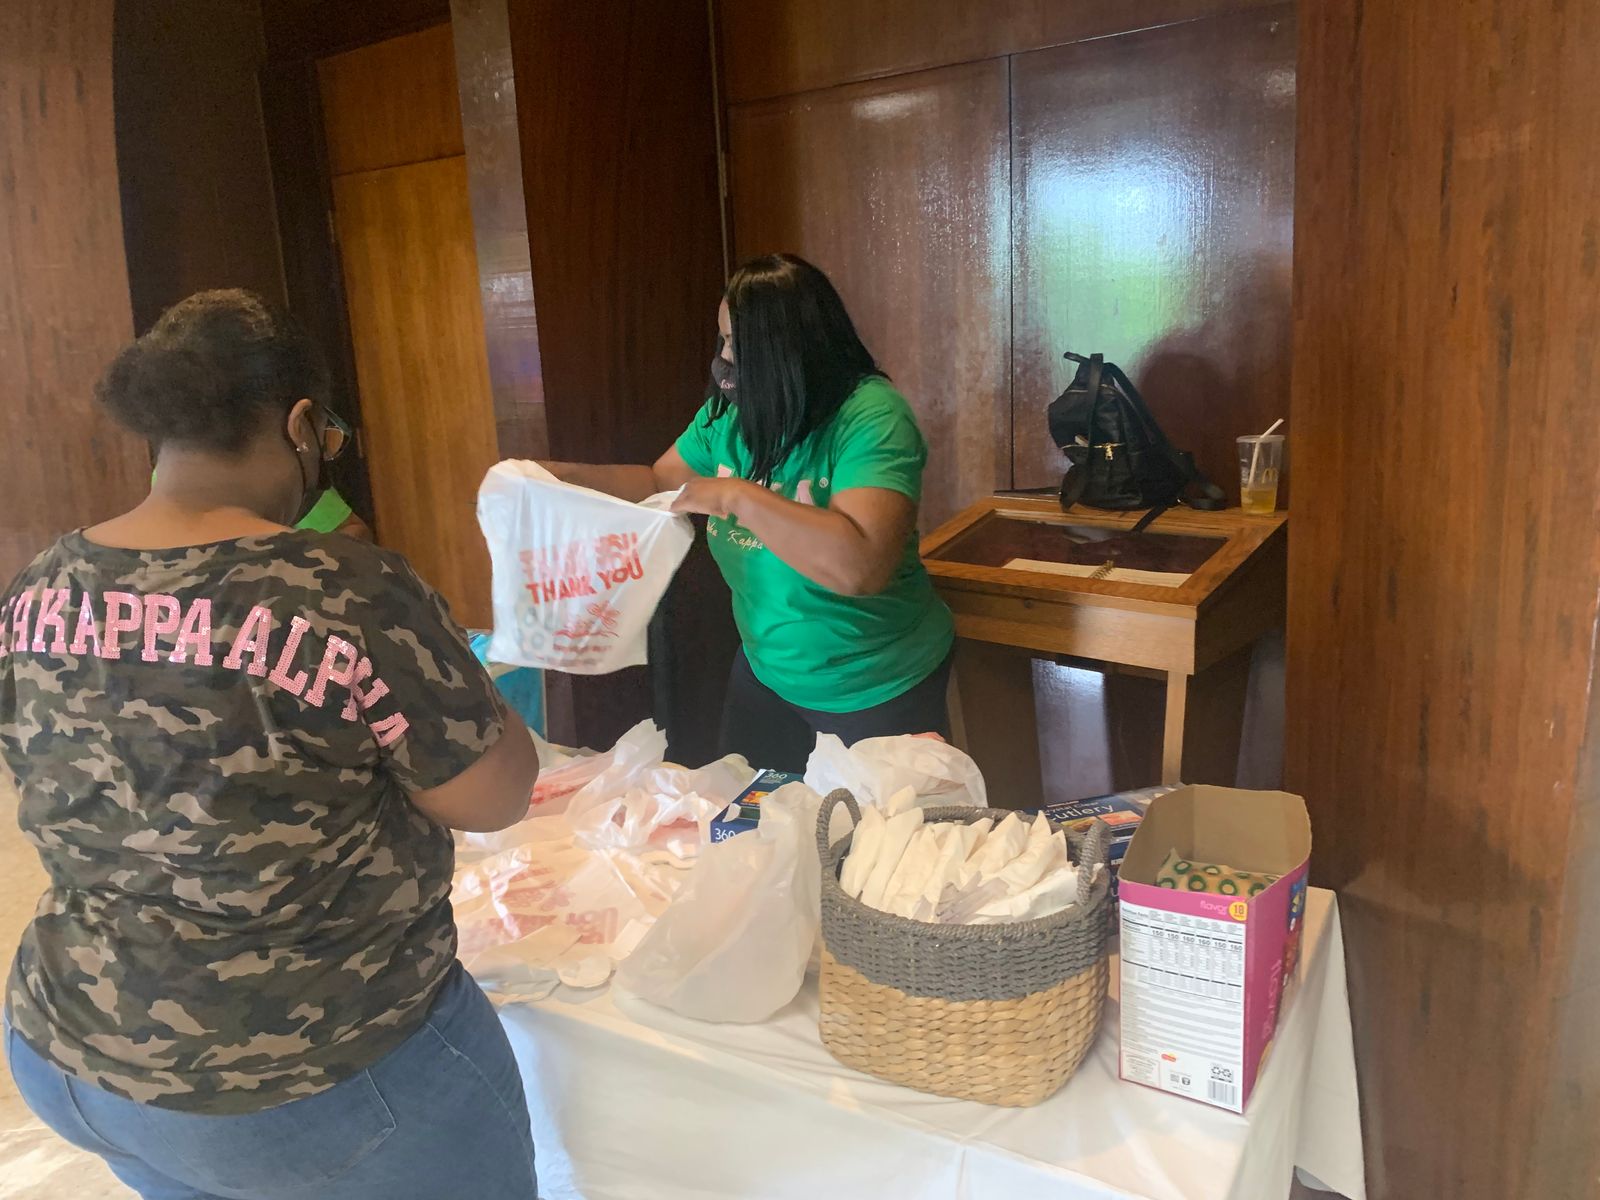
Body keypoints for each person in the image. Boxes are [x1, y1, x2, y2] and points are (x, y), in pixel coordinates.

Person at [0, 290, 542, 1200]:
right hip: (307, 1076)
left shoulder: (39, 585)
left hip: (70, 1052)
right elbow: (493, 796)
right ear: (300, 426)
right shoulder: (344, 588)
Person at [546, 254, 955, 772]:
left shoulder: (871, 415)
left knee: (873, 824)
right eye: (721, 341)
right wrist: (558, 478)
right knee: (748, 812)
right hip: (768, 673)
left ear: (787, 350)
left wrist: (736, 496)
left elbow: (860, 566)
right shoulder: (729, 416)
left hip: (876, 682)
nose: (723, 360)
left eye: (735, 344)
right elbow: (658, 482)